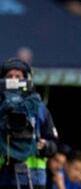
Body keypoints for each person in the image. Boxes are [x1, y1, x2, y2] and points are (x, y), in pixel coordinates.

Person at [0, 58, 58, 189]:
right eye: (9, 76)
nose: (14, 80)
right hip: (3, 176)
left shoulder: (39, 108)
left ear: (27, 79)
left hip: (33, 179)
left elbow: (54, 144)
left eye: (18, 76)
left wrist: (44, 145)